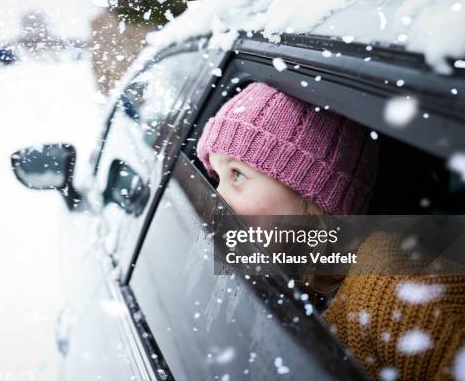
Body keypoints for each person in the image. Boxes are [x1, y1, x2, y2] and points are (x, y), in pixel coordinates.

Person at [196, 82, 465, 380]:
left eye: (237, 174)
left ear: (312, 197)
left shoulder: (392, 290)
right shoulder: (284, 270)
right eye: (217, 177)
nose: (216, 199)